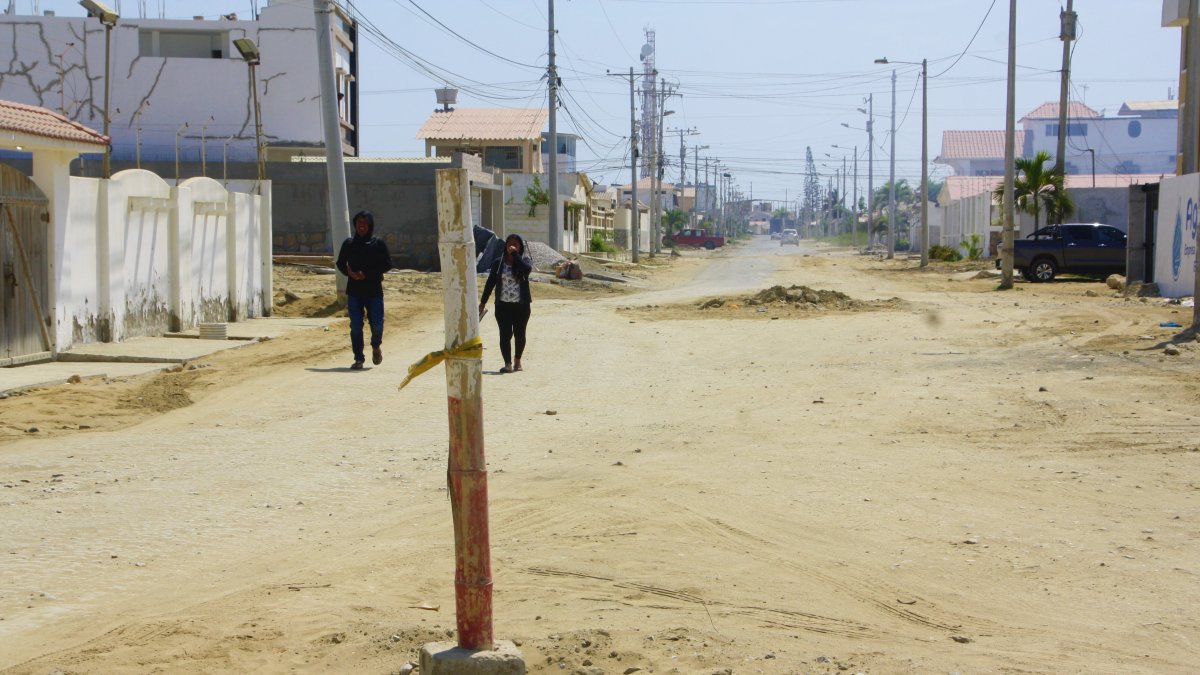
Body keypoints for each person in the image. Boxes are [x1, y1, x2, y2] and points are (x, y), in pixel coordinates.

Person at [336, 210, 392, 370]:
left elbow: (387, 264)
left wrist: (367, 274)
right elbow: (340, 263)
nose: (361, 227)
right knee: (355, 326)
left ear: (370, 226)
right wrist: (350, 273)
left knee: (377, 324)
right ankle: (359, 358)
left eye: (364, 224)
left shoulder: (378, 244)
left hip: (374, 291)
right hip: (354, 291)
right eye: (359, 224)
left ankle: (376, 346)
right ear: (355, 225)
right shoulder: (349, 244)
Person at [479, 233, 533, 373]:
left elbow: (526, 270)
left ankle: (517, 361)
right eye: (510, 243)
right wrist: (483, 301)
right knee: (505, 335)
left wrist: (515, 255)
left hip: (521, 306)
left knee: (520, 334)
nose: (512, 246)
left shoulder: (525, 261)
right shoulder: (499, 263)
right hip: (503, 306)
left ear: (520, 247)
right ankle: (507, 364)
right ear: (505, 246)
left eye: (516, 244)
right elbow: (490, 283)